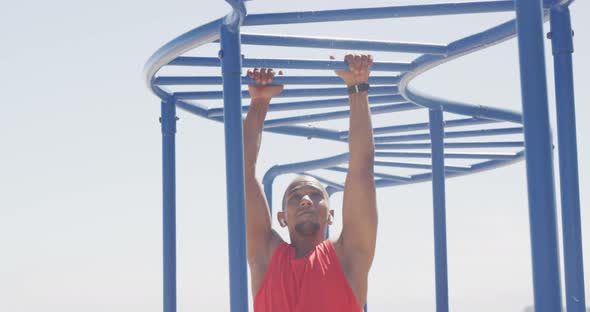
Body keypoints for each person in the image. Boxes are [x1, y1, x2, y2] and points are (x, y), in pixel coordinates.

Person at [243, 54, 378, 312]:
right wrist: (259, 103)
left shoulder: (348, 257)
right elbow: (243, 175)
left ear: (331, 215)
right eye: (295, 196)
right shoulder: (266, 256)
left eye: (315, 195)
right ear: (281, 217)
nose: (305, 200)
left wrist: (358, 87)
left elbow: (362, 169)